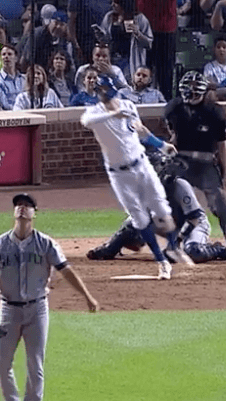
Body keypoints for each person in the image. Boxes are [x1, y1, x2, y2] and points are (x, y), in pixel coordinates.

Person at [0, 192, 99, 401]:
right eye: (18, 205)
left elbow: (66, 271)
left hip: (37, 309)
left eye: (27, 206)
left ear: (35, 213)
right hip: (8, 309)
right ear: (14, 212)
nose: (22, 209)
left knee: (35, 363)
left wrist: (87, 296)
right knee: (1, 363)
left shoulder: (46, 243)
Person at [80, 75, 181, 280]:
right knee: (139, 218)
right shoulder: (95, 112)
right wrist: (113, 114)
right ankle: (161, 261)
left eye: (106, 89)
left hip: (141, 164)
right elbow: (86, 121)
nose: (104, 94)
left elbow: (140, 131)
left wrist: (162, 145)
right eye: (101, 90)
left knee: (161, 208)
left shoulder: (128, 106)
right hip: (119, 174)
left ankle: (172, 248)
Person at [87, 150, 226, 263]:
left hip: (192, 225)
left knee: (194, 251)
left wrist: (176, 242)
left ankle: (218, 249)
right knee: (130, 226)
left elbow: (194, 218)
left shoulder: (178, 185)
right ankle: (109, 248)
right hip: (168, 224)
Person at [165, 70, 226, 257]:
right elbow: (173, 136)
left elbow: (222, 143)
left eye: (195, 89)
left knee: (220, 200)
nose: (191, 92)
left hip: (206, 162)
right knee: (171, 198)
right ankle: (175, 240)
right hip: (181, 161)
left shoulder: (214, 111)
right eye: (188, 88)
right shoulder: (174, 108)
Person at [100, 0, 154, 81]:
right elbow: (106, 39)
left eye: (116, 3)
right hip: (113, 58)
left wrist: (137, 33)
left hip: (130, 59)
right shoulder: (109, 17)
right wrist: (101, 36)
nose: (112, 5)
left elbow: (148, 44)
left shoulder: (140, 18)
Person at [0, 45, 25, 111]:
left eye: (9, 54)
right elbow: (4, 105)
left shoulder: (24, 79)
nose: (6, 57)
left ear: (16, 58)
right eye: (3, 54)